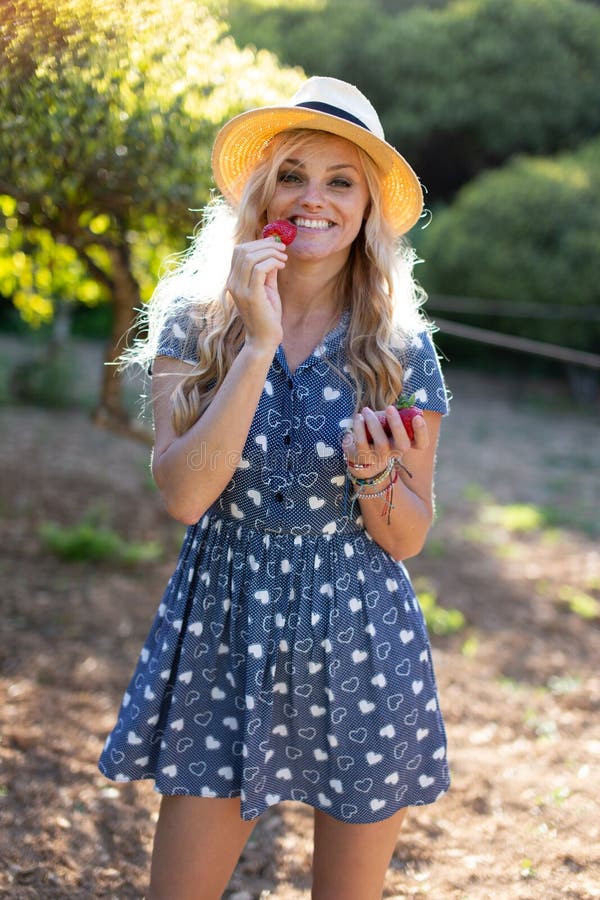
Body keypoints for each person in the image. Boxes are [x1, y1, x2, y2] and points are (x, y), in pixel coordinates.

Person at [98, 76, 451, 900]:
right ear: (263, 193)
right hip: (228, 630)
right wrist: (255, 345)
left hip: (362, 639)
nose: (314, 199)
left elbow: (406, 537)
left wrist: (375, 478)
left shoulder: (399, 349)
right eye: (293, 173)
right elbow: (185, 496)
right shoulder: (194, 318)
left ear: (368, 209)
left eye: (341, 180)